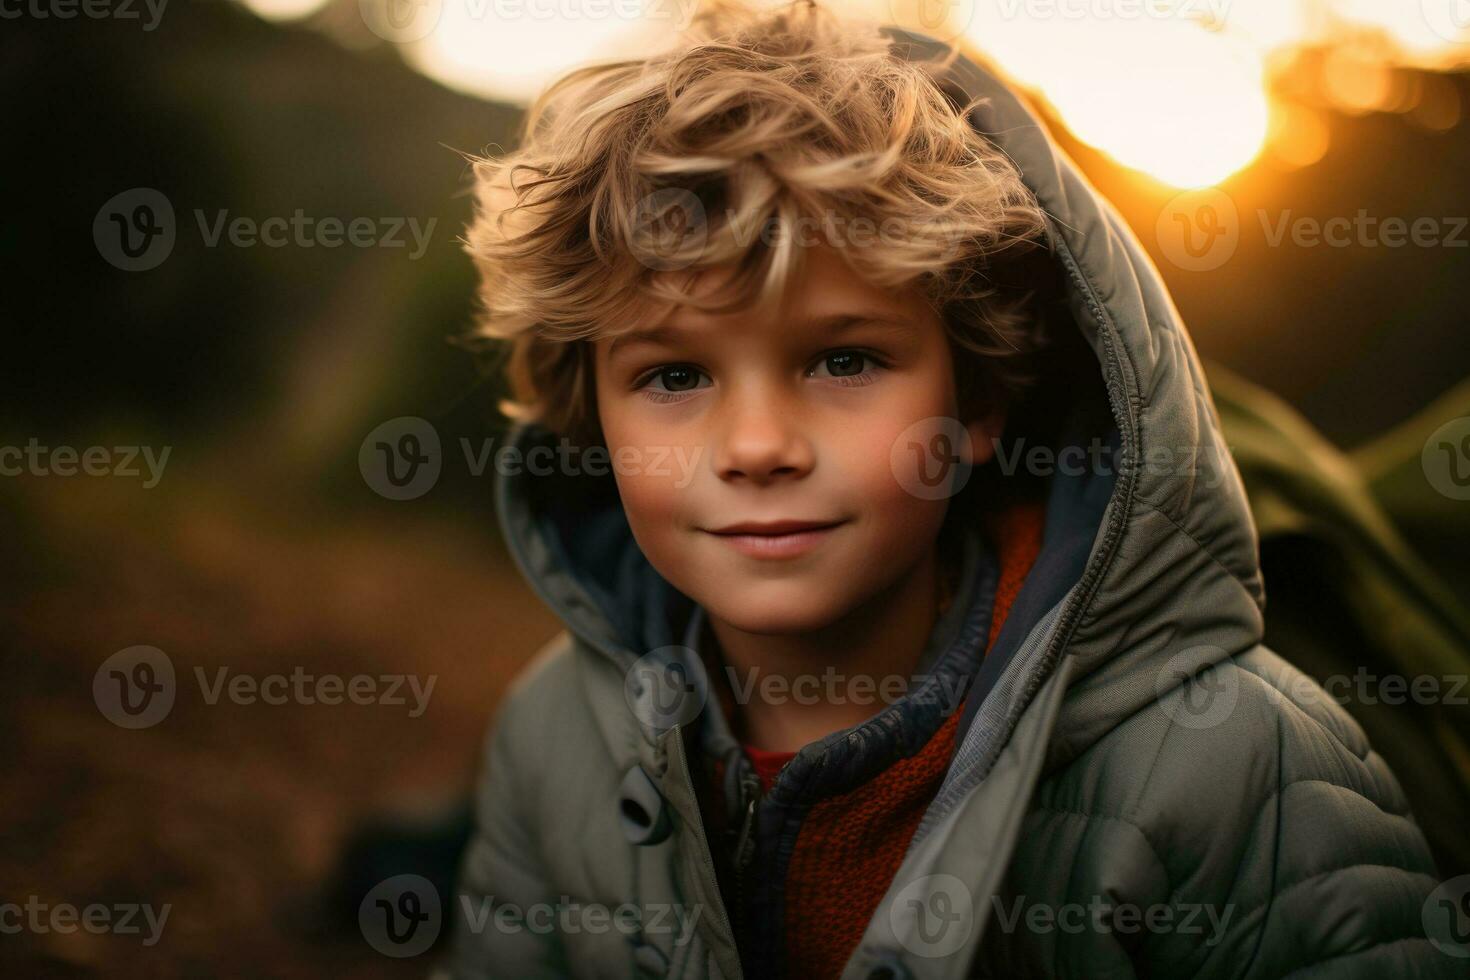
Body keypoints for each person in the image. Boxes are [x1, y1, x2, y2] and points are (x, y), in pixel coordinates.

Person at [443, 2, 1458, 976]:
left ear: (975, 403)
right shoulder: (554, 733)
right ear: (592, 422)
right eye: (673, 376)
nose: (755, 445)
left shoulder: (1235, 763)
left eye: (843, 361)